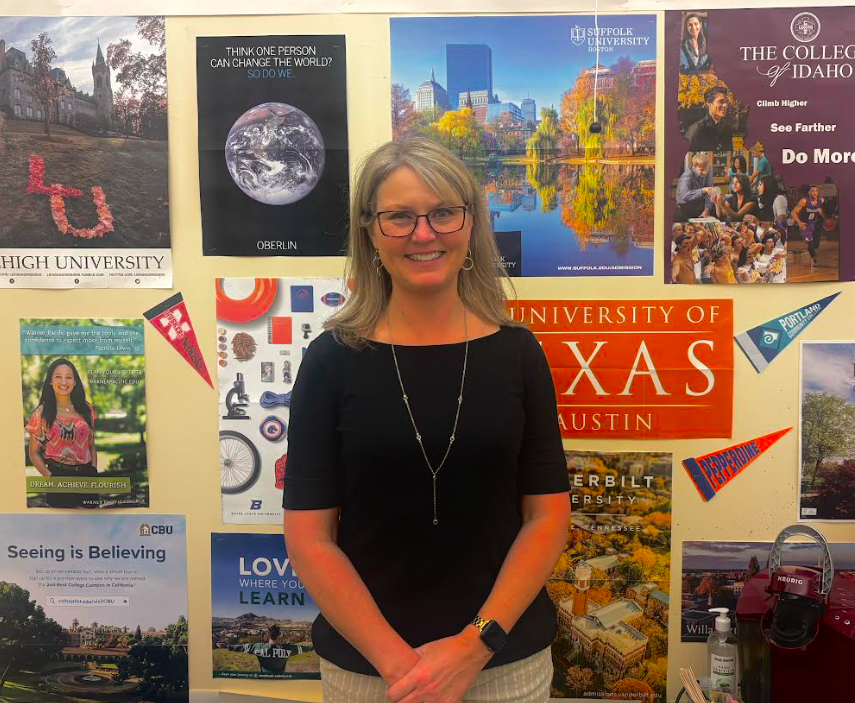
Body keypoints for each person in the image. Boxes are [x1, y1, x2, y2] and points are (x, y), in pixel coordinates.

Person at [282, 136, 571, 703]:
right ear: (369, 230)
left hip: (504, 664)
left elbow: (546, 518)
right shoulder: (330, 361)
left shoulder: (518, 353)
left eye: (443, 213)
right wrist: (402, 668)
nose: (424, 233)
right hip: (371, 673)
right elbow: (309, 537)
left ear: (470, 225)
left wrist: (473, 646)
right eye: (399, 217)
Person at [26, 358, 98, 509]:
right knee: (62, 529)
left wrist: (93, 471)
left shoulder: (86, 409)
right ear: (51, 381)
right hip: (58, 476)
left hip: (87, 475)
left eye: (69, 377)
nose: (63, 381)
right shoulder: (41, 414)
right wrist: (50, 478)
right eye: (58, 376)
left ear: (75, 381)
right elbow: (33, 453)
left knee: (92, 526)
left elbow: (91, 445)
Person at [218, 624, 314, 676]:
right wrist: (317, 646)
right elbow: (305, 649)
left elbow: (241, 647)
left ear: (268, 634)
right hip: (281, 680)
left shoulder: (258, 647)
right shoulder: (287, 649)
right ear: (279, 635)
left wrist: (227, 646)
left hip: (264, 678)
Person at [684, 86, 732, 152]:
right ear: (709, 103)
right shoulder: (697, 128)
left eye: (726, 102)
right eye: (721, 101)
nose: (725, 105)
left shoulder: (727, 128)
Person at [791, 185, 824, 266]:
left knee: (815, 245)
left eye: (816, 191)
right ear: (809, 192)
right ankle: (813, 258)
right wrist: (799, 223)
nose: (815, 192)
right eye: (812, 191)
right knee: (810, 242)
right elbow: (793, 213)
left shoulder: (821, 200)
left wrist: (824, 216)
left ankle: (814, 253)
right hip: (805, 225)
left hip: (815, 224)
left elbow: (822, 212)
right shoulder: (804, 201)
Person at [675, 153, 715, 221]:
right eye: (702, 170)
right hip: (685, 205)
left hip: (699, 203)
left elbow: (709, 191)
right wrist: (703, 190)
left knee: (715, 209)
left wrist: (707, 210)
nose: (705, 172)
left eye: (706, 169)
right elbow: (685, 196)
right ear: (694, 167)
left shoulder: (708, 168)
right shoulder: (687, 176)